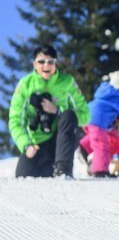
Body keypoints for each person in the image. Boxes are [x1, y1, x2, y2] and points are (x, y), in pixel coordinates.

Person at [8, 45, 90, 179]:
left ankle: (63, 171)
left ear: (55, 64)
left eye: (50, 61)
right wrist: (26, 145)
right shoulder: (25, 84)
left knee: (69, 115)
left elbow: (85, 116)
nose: (46, 65)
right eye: (41, 61)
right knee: (23, 177)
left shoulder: (67, 82)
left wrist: (58, 111)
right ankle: (48, 167)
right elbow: (15, 120)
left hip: (60, 142)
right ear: (34, 64)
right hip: (36, 143)